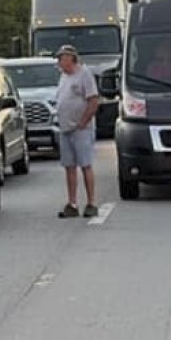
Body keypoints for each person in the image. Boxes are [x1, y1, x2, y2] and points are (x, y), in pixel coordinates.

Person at [54, 44, 101, 218]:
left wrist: (83, 121)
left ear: (71, 58)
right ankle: (72, 203)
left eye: (61, 58)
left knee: (85, 165)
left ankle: (91, 202)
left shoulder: (84, 74)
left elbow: (93, 100)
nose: (59, 61)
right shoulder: (63, 77)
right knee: (69, 167)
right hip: (65, 128)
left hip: (81, 128)